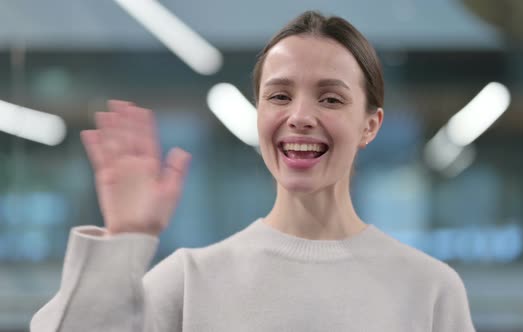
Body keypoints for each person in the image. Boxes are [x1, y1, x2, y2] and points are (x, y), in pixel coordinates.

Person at [30, 10, 475, 332]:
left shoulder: (430, 289)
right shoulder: (190, 281)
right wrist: (124, 237)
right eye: (279, 96)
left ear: (369, 125)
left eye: (331, 98)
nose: (300, 116)